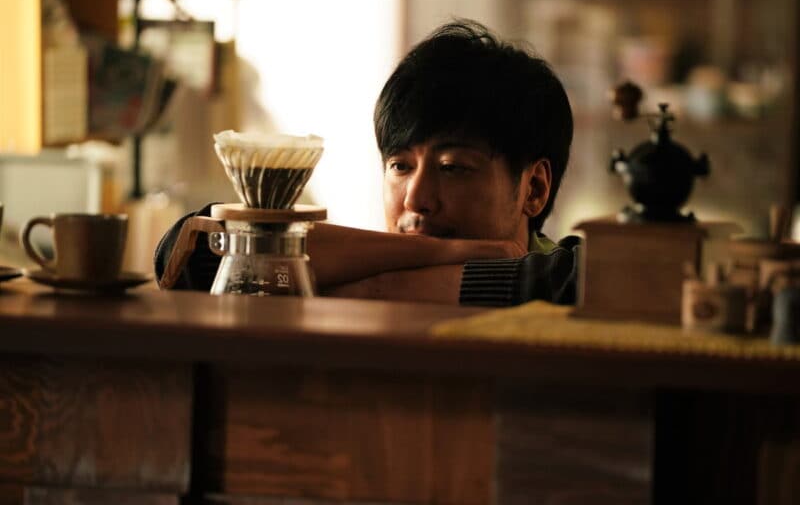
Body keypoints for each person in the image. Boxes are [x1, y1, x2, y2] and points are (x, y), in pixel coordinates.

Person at [154, 20, 579, 306]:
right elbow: (186, 253)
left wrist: (375, 289)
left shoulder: (571, 274)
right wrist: (447, 251)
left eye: (452, 167)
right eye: (400, 166)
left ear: (534, 188)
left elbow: (574, 283)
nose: (415, 198)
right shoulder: (367, 255)